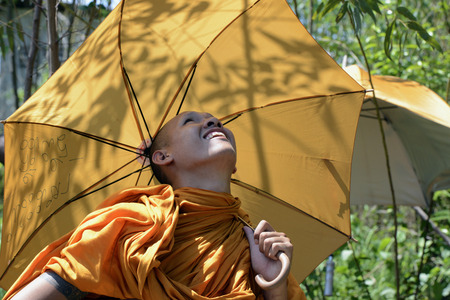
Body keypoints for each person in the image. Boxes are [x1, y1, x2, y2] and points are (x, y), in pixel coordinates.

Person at [5, 111, 306, 299]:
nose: (213, 121)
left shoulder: (256, 249)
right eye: (192, 120)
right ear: (162, 157)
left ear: (235, 166)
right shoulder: (127, 225)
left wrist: (274, 287)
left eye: (216, 121)